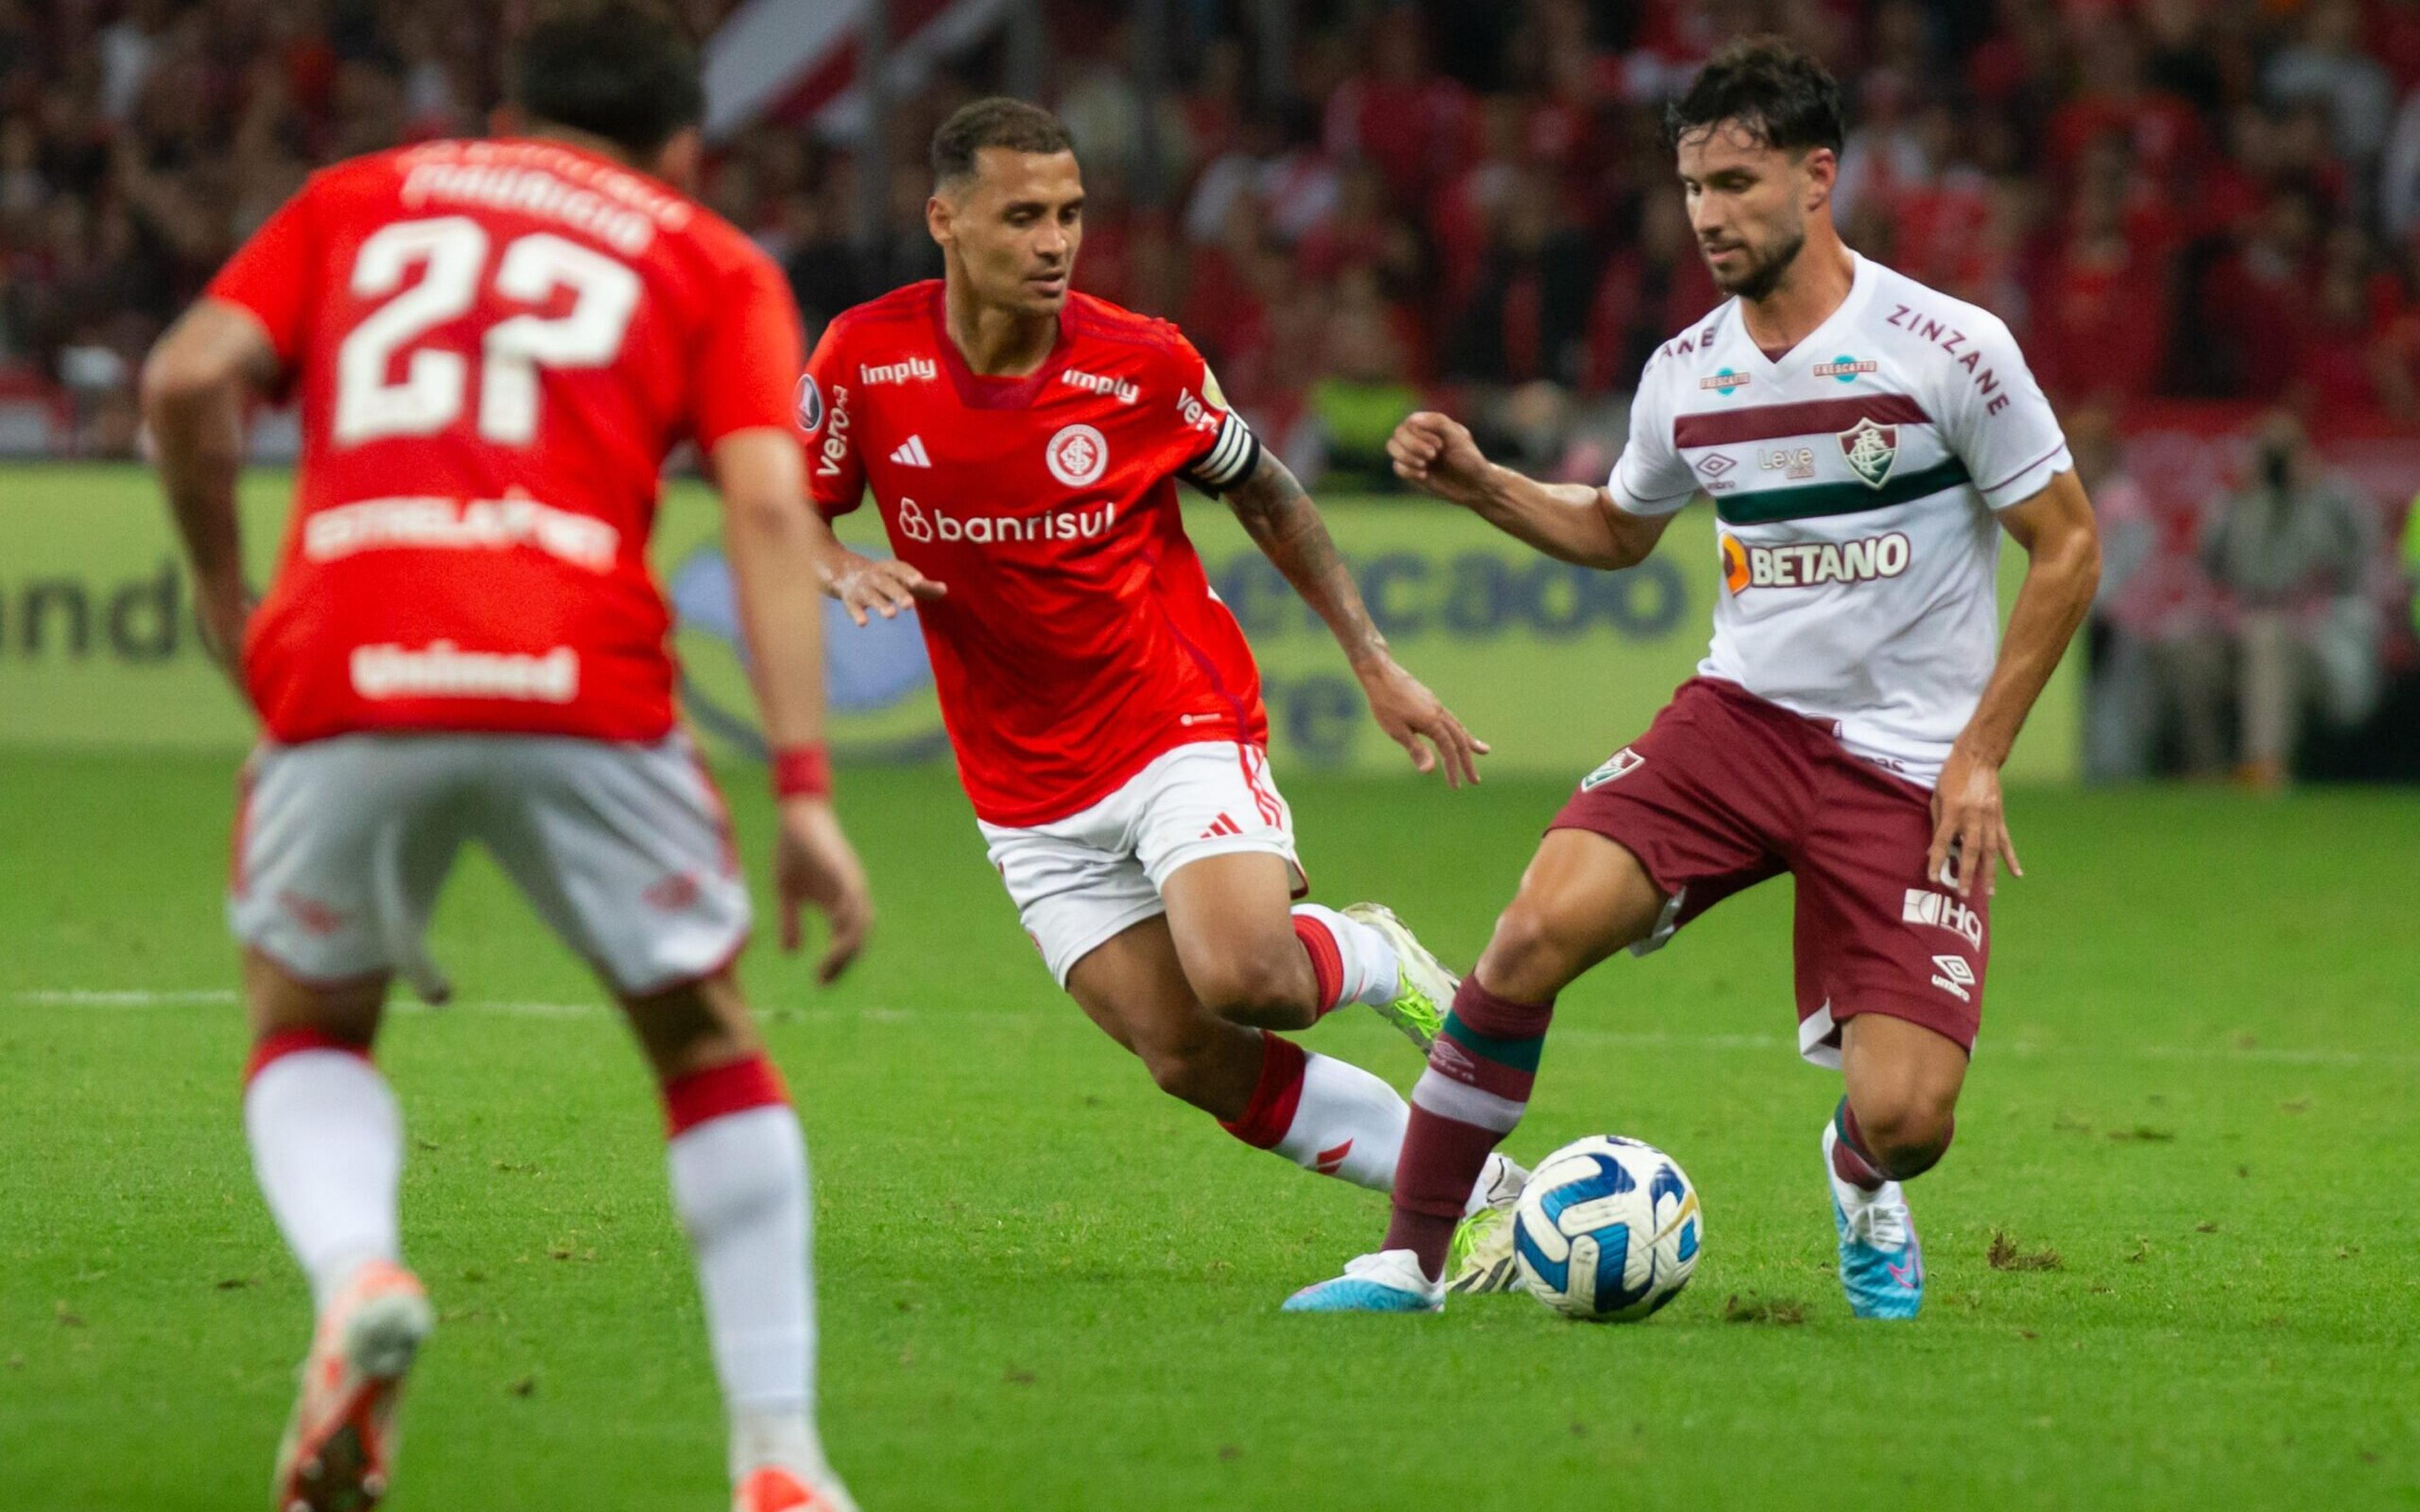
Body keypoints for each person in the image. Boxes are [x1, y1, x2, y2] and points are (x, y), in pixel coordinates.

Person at [138, 8, 869, 1509]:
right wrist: (801, 786)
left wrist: (224, 594)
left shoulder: (362, 196)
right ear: (679, 142)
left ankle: (356, 1281)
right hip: (574, 673)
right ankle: (780, 1461)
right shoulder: (705, 252)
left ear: (513, 112)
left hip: (349, 652)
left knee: (309, 1019)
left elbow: (181, 379)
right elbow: (767, 511)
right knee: (706, 1041)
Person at [1286, 38, 2102, 1319]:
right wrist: (1487, 483)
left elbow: (2067, 549)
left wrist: (1981, 752)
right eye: (1693, 189)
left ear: (1816, 176)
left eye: (1736, 182)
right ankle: (1408, 1260)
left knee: (1912, 1117)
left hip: (1903, 760)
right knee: (1532, 933)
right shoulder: (1688, 371)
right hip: (1736, 727)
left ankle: (1858, 1171)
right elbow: (1618, 529)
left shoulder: (1949, 346)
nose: (1710, 215)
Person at [798, 98, 1528, 1288]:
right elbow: (792, 505)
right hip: (1021, 783)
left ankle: (1369, 957)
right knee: (1189, 1053)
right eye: (1022, 215)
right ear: (944, 220)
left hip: (1170, 722)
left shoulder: (1139, 361)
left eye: (1071, 214)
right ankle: (1485, 1196)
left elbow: (1268, 491)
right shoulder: (864, 359)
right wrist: (842, 565)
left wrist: (1371, 657)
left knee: (1247, 976)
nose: (1054, 242)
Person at [2200, 411, 2382, 788]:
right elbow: (2209, 564)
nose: (2277, 463)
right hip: (2244, 630)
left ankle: (2264, 765)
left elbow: (2360, 560)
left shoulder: (2331, 497)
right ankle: (2207, 769)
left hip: (2322, 642)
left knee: (2268, 637)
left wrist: (2318, 493)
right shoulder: (2241, 501)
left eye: (2285, 451)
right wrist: (2240, 496)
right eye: (2270, 452)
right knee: (2183, 652)